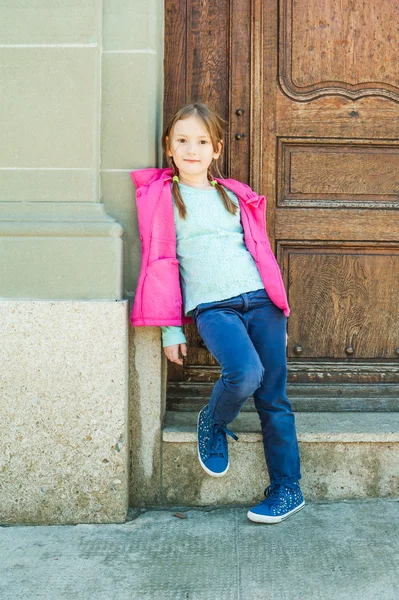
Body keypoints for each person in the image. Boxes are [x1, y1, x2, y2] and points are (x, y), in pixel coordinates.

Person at [130, 102, 305, 524]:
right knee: (244, 372)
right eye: (183, 141)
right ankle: (212, 419)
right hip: (213, 307)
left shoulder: (233, 195)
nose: (193, 149)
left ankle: (287, 488)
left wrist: (280, 306)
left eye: (202, 141)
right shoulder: (163, 198)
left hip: (261, 302)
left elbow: (259, 252)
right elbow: (160, 263)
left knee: (273, 399)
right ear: (168, 148)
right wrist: (172, 330)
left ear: (217, 149)